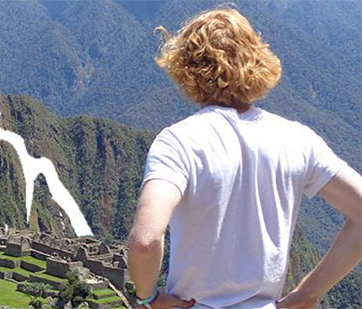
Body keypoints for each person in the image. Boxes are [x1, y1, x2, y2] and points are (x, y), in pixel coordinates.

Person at [126, 7, 362, 309]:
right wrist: (308, 294)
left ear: (186, 70)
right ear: (257, 62)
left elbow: (145, 242)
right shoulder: (298, 140)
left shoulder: (179, 142)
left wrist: (148, 297)